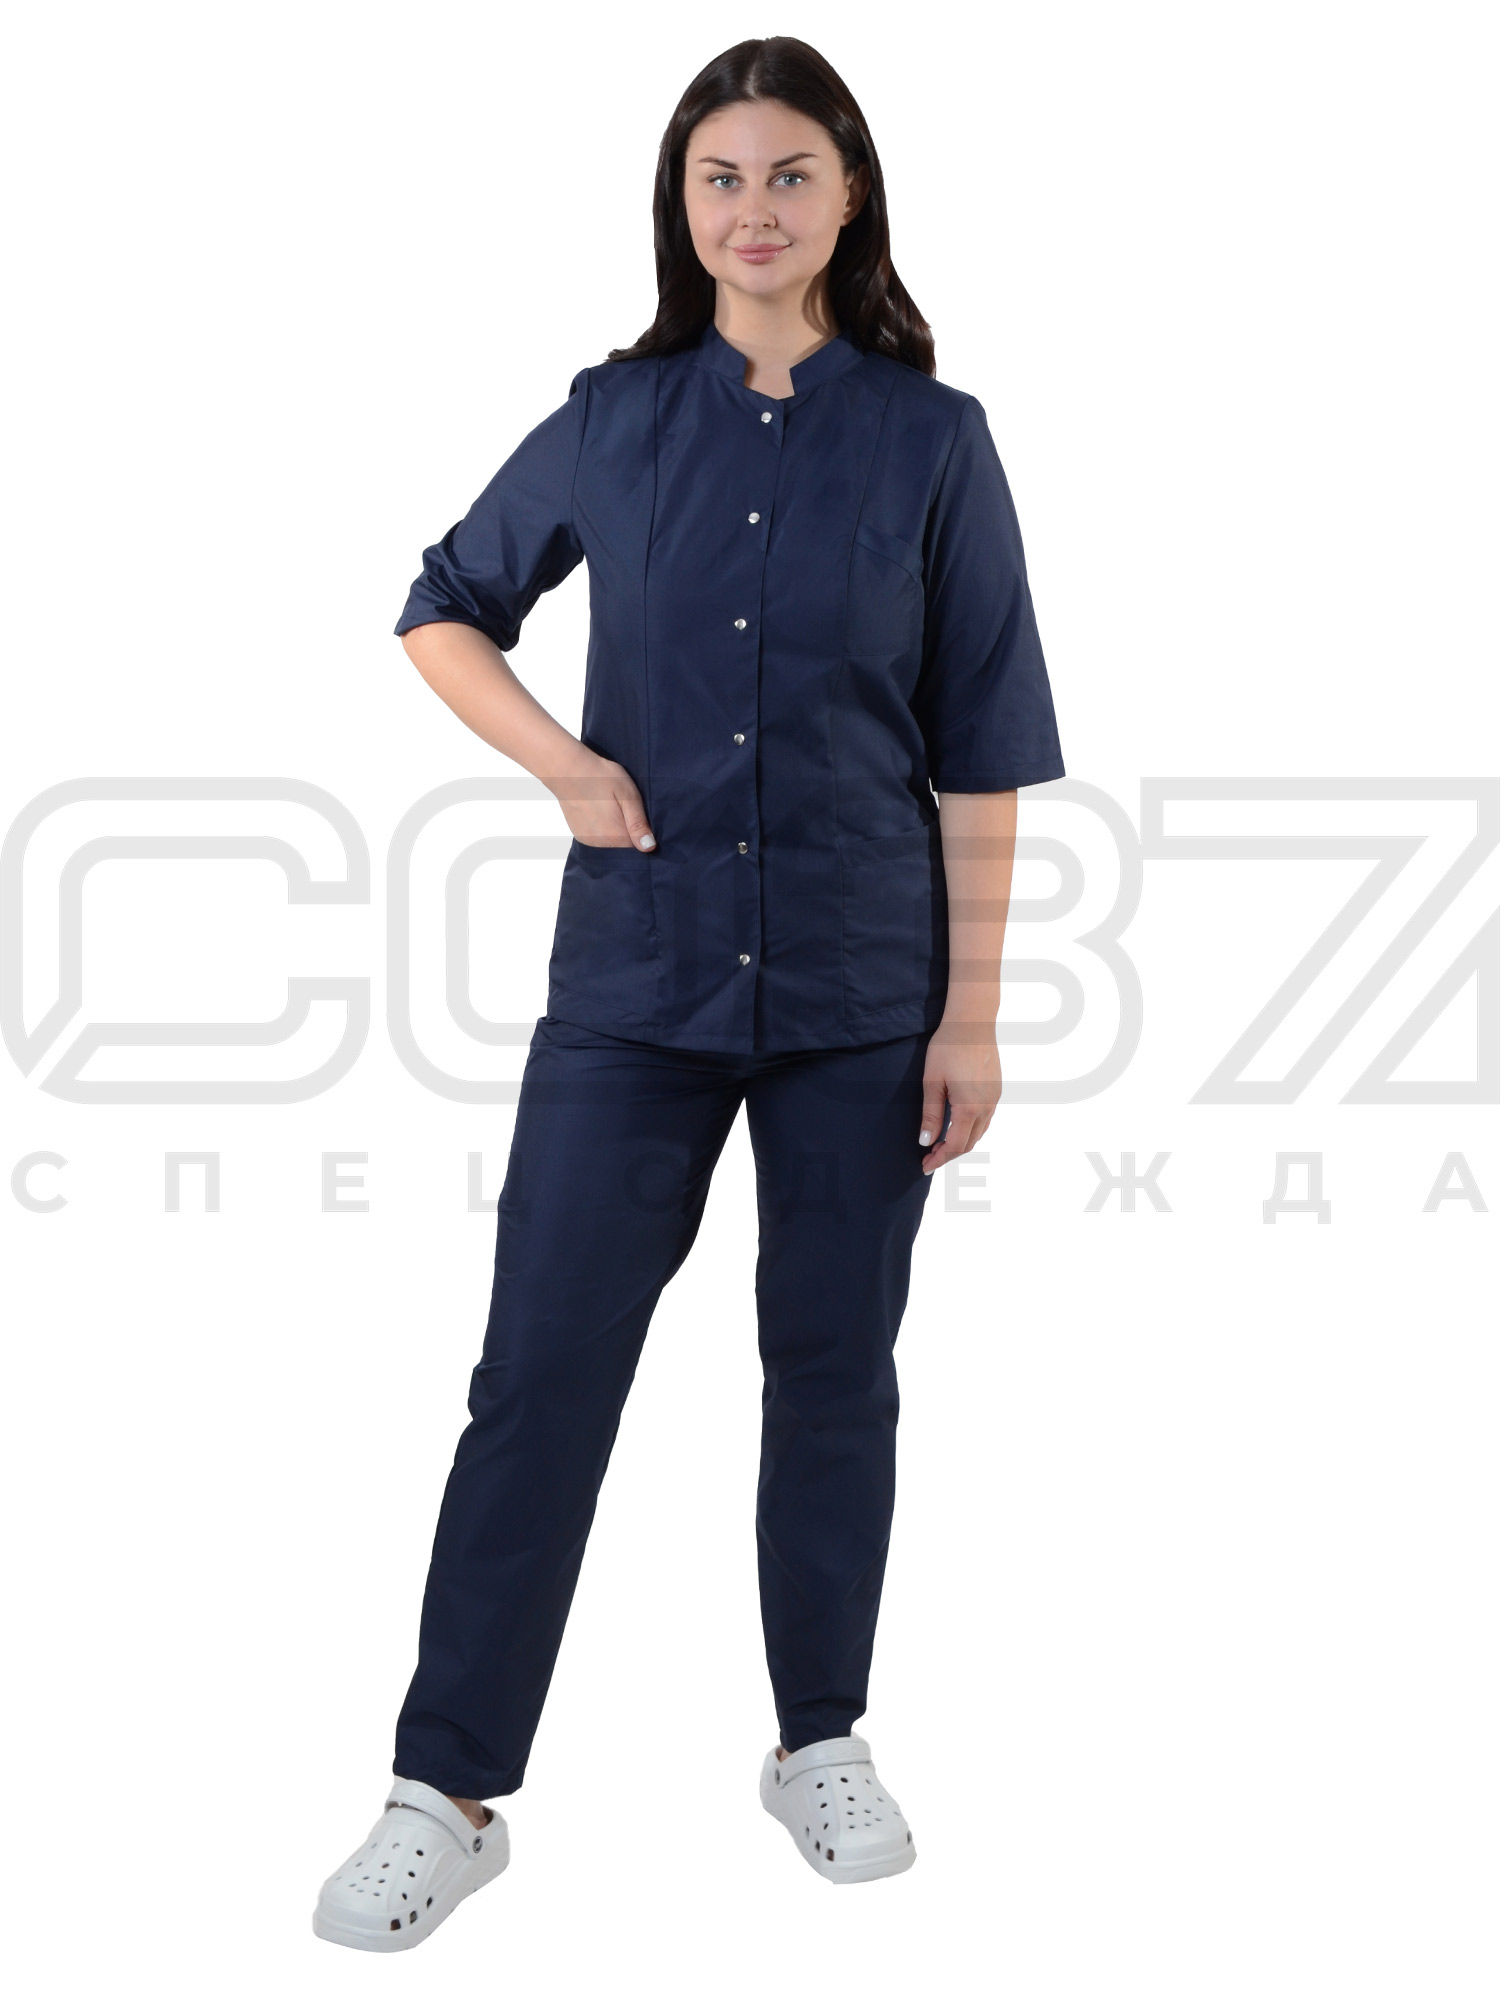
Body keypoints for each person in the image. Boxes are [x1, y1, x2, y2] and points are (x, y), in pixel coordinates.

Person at [313, 34, 1064, 1950]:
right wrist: (565, 766)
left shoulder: (935, 440)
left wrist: (971, 1015)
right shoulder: (613, 417)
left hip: (861, 991)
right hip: (632, 987)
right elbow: (442, 605)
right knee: (539, 1374)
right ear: (682, 203)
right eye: (720, 176)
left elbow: (983, 748)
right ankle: (445, 1789)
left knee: (833, 1372)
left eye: (790, 173)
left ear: (849, 194)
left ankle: (822, 1740)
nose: (753, 209)